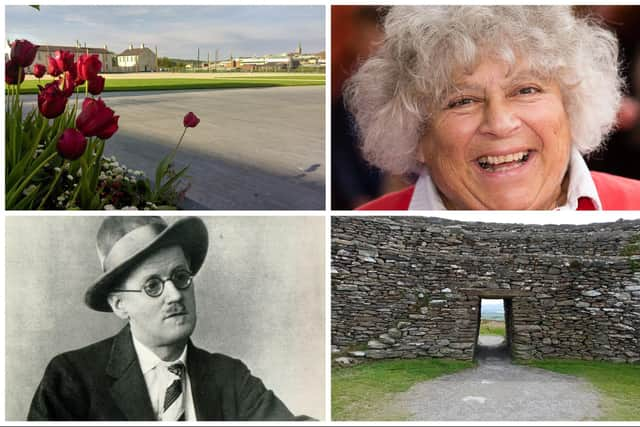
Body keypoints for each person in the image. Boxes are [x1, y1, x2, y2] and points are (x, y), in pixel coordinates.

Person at [343, 6, 640, 210]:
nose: (499, 123)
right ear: (416, 134)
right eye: (462, 101)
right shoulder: (351, 235)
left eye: (526, 90)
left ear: (571, 108)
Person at [27, 216, 310, 421]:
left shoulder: (230, 378)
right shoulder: (72, 379)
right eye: (152, 286)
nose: (175, 295)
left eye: (181, 277)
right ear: (119, 305)